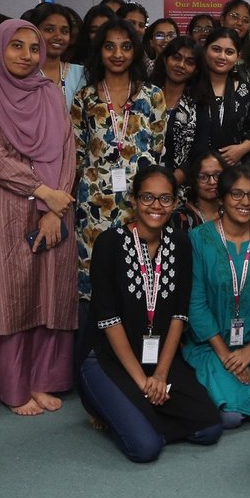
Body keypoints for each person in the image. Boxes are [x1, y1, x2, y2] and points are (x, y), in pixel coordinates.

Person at [0, 20, 78, 416]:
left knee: (52, 293)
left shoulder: (51, 93)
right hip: (13, 207)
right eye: (16, 46)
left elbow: (68, 150)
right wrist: (44, 193)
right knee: (14, 294)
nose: (27, 56)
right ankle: (15, 387)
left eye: (34, 48)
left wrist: (55, 206)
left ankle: (43, 380)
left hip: (57, 207)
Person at [81, 167, 223, 462]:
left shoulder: (180, 243)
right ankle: (117, 408)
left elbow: (179, 316)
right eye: (147, 197)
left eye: (165, 199)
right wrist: (142, 381)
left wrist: (159, 375)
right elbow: (109, 320)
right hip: (109, 358)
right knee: (145, 448)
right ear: (133, 199)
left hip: (158, 358)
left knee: (209, 428)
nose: (156, 206)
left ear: (175, 203)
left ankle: (139, 413)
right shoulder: (109, 243)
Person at [185, 165, 250, 425]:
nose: (245, 202)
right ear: (221, 198)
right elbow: (195, 302)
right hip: (211, 345)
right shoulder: (198, 239)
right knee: (230, 416)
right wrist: (225, 355)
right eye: (236, 194)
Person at [72, 19, 167, 296]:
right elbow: (77, 152)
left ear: (135, 51)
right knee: (95, 273)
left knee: (138, 274)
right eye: (109, 47)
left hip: (141, 200)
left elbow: (157, 147)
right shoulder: (85, 97)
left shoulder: (153, 95)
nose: (117, 54)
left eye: (126, 47)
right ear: (99, 51)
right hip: (94, 200)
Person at [165, 28, 250, 183]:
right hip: (190, 175)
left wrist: (242, 148)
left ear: (238, 56)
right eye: (216, 49)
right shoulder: (189, 87)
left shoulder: (246, 91)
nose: (222, 56)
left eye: (229, 52)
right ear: (205, 50)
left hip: (232, 176)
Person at [26, 2, 84, 111]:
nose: (58, 36)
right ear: (34, 31)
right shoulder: (24, 73)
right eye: (49, 30)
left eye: (64, 31)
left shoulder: (81, 74)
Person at [153, 35, 197, 130]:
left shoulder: (199, 104)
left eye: (189, 62)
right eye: (176, 58)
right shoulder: (146, 95)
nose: (181, 65)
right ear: (165, 59)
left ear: (196, 70)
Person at [178, 151, 225, 231]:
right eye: (203, 177)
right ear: (194, 180)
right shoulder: (181, 217)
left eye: (217, 175)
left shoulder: (232, 211)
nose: (212, 182)